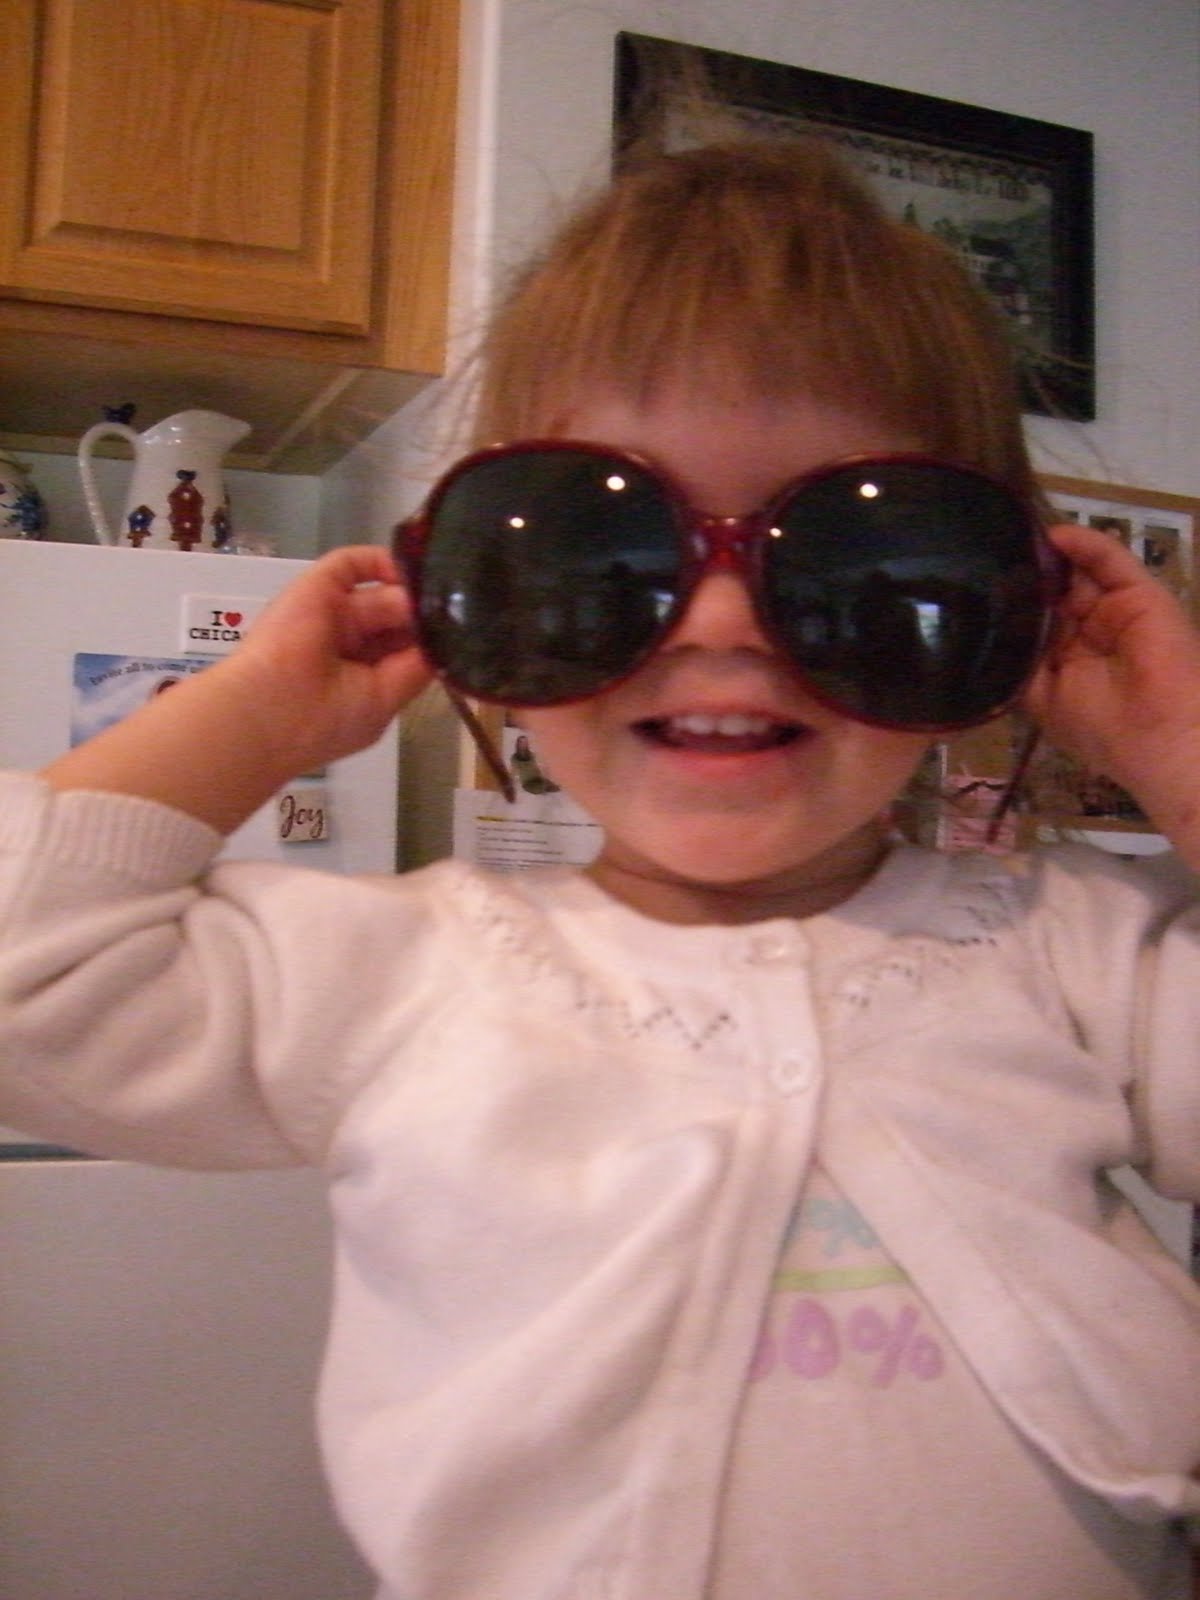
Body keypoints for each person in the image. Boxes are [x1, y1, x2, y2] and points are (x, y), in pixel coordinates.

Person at [2, 136, 1199, 1600]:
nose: (720, 622)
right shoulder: (399, 976)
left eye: (859, 559)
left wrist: (1183, 750)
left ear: (1009, 619)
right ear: (468, 609)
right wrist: (255, 716)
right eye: (602, 547)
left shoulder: (1081, 958)